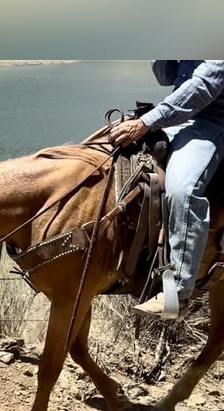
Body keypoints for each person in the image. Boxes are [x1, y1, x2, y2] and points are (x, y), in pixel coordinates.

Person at [109, 60, 224, 319]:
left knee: (183, 191)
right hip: (175, 119)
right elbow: (166, 77)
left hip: (210, 123)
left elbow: (202, 87)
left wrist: (146, 123)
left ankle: (179, 293)